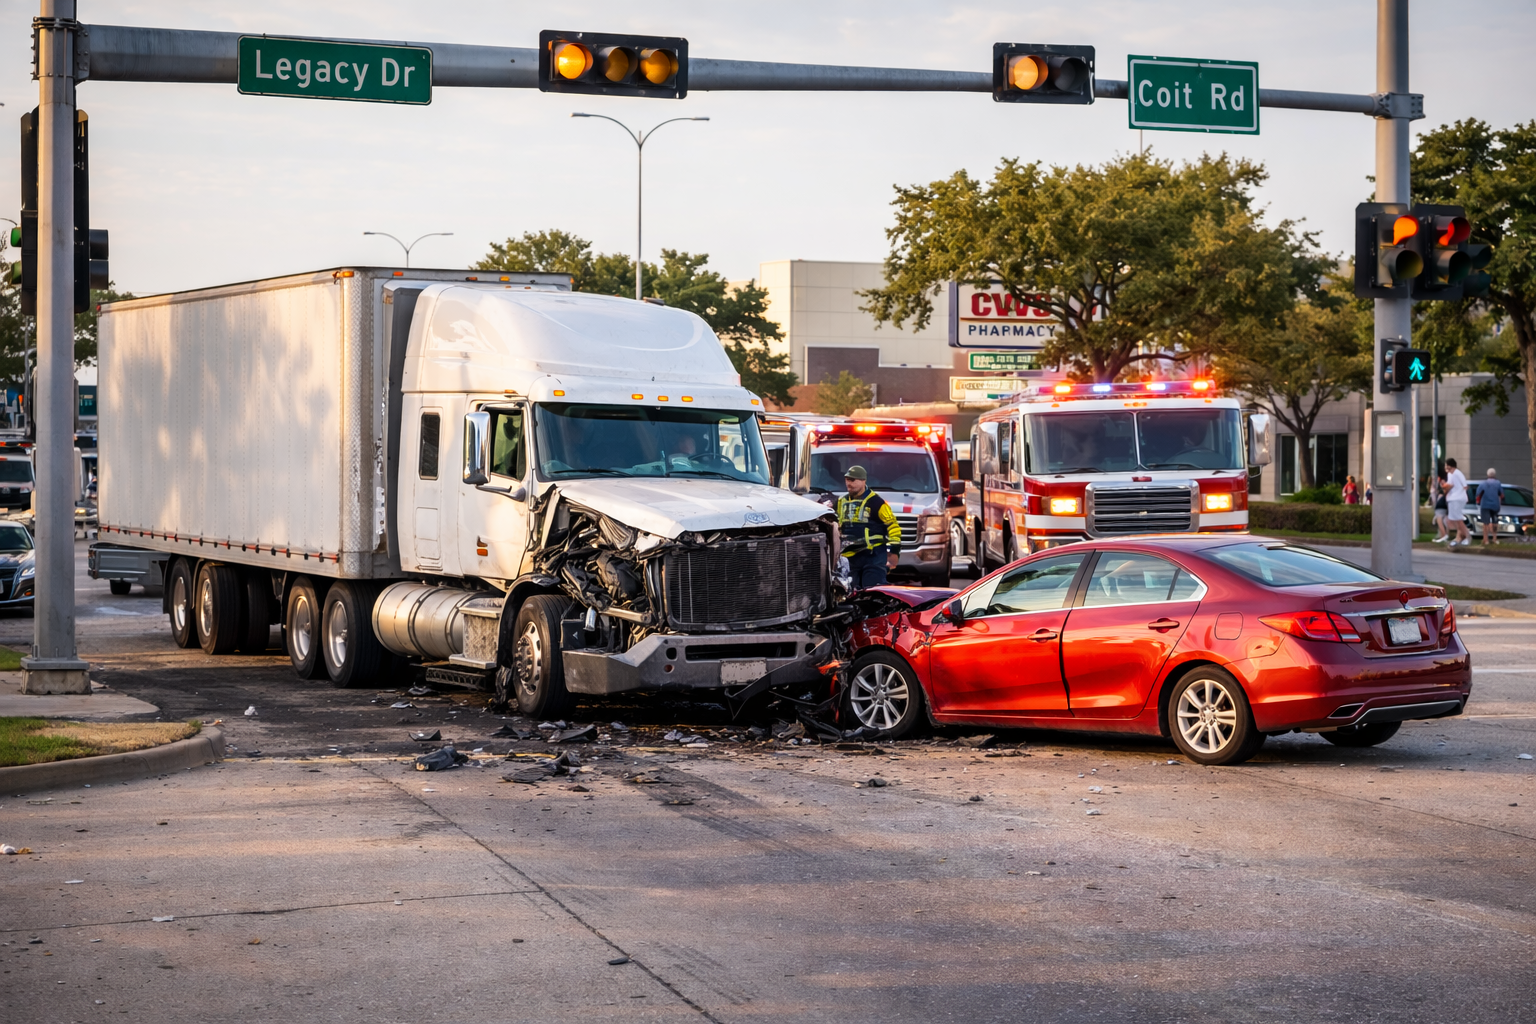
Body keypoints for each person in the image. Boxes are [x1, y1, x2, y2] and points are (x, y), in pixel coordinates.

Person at [837, 465, 901, 589]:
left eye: (852, 480)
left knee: (872, 591)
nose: (848, 483)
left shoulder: (877, 503)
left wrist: (894, 551)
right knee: (849, 593)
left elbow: (893, 526)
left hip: (873, 556)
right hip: (850, 558)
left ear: (863, 481)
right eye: (847, 480)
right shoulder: (841, 502)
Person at [1444, 457, 1470, 546]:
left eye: (1447, 466)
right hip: (1453, 498)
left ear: (1449, 465)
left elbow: (1464, 486)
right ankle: (1459, 537)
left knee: (1458, 519)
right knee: (1455, 519)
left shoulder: (1456, 474)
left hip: (1458, 499)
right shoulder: (1452, 474)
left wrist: (1444, 487)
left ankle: (1467, 536)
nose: (1446, 468)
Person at [1475, 467, 1503, 546]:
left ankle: (1486, 539)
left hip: (1485, 505)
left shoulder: (1483, 484)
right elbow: (1502, 494)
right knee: (1495, 522)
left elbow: (1478, 494)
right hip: (1495, 505)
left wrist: (1478, 502)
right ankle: (1494, 538)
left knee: (1485, 523)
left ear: (1487, 474)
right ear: (1495, 474)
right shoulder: (1498, 483)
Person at [1430, 472, 1450, 542]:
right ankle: (1443, 535)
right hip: (1443, 506)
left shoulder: (1445, 489)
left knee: (1440, 521)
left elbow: (1443, 494)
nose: (1441, 483)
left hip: (1441, 506)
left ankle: (1444, 535)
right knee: (1444, 521)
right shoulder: (1445, 489)